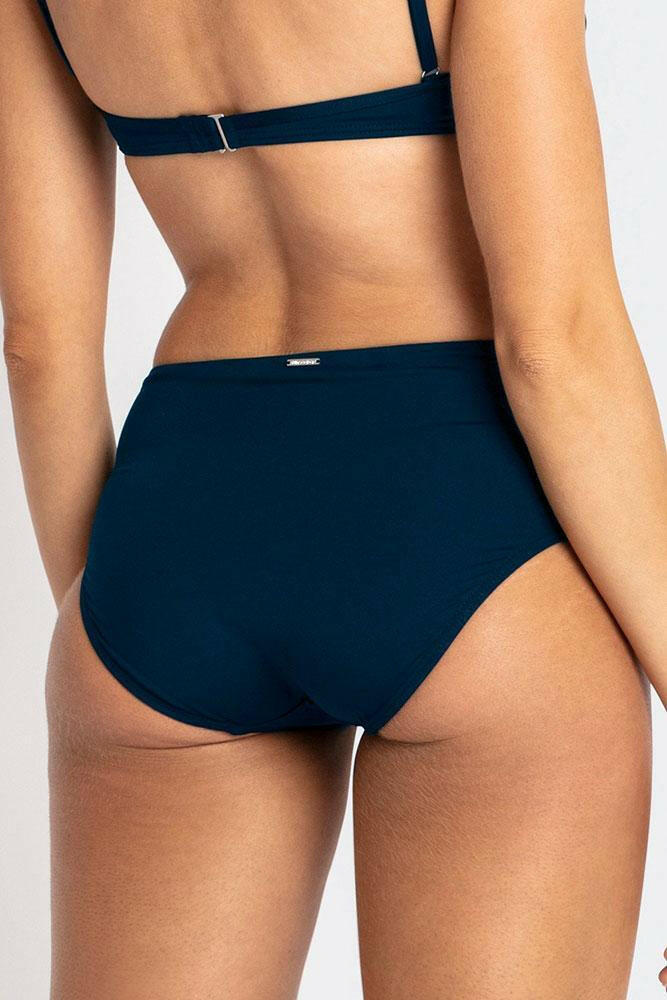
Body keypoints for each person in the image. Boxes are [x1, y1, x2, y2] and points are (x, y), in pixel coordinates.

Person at [1, 0, 665, 997]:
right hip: (462, 524)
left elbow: (38, 347)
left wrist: (116, 627)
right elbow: (552, 345)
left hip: (178, 528)